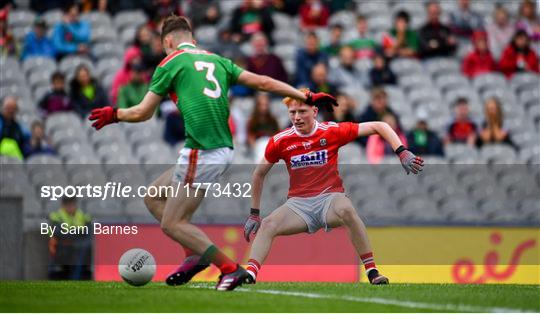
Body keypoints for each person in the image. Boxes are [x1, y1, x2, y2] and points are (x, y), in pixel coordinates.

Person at [88, 15, 338, 291]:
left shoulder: (169, 63)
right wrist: (306, 97)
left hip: (202, 150)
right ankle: (193, 255)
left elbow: (143, 112)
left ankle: (230, 269)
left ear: (168, 41)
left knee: (172, 223)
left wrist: (114, 114)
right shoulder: (218, 61)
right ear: (193, 41)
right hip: (221, 148)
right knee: (154, 196)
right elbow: (265, 82)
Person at [242, 90, 424, 286]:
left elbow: (379, 125)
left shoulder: (331, 131)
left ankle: (372, 271)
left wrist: (402, 151)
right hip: (298, 205)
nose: (296, 117)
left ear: (314, 111)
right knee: (268, 224)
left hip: (330, 199)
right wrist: (254, 213)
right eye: (292, 112)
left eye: (302, 111)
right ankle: (249, 275)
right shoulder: (280, 140)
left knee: (346, 209)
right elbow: (258, 174)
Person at [48, 197, 92, 280]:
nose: (70, 207)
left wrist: (69, 232)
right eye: (67, 205)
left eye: (72, 204)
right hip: (60, 248)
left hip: (78, 248)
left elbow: (88, 233)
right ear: (63, 205)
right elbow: (58, 233)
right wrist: (78, 232)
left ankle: (76, 278)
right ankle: (74, 278)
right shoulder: (56, 216)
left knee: (84, 247)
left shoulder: (84, 216)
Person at [0, 96, 29, 160]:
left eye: (13, 108)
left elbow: (27, 137)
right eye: (8, 108)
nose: (10, 111)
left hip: (15, 161)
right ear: (3, 108)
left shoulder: (18, 126)